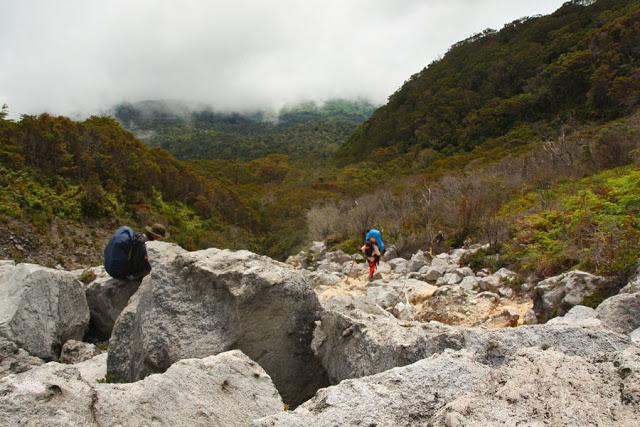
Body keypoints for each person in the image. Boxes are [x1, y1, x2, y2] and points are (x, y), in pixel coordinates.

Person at [104, 223, 168, 280]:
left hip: (112, 270)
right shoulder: (144, 245)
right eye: (160, 238)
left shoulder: (139, 236)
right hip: (124, 275)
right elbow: (138, 263)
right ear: (156, 236)